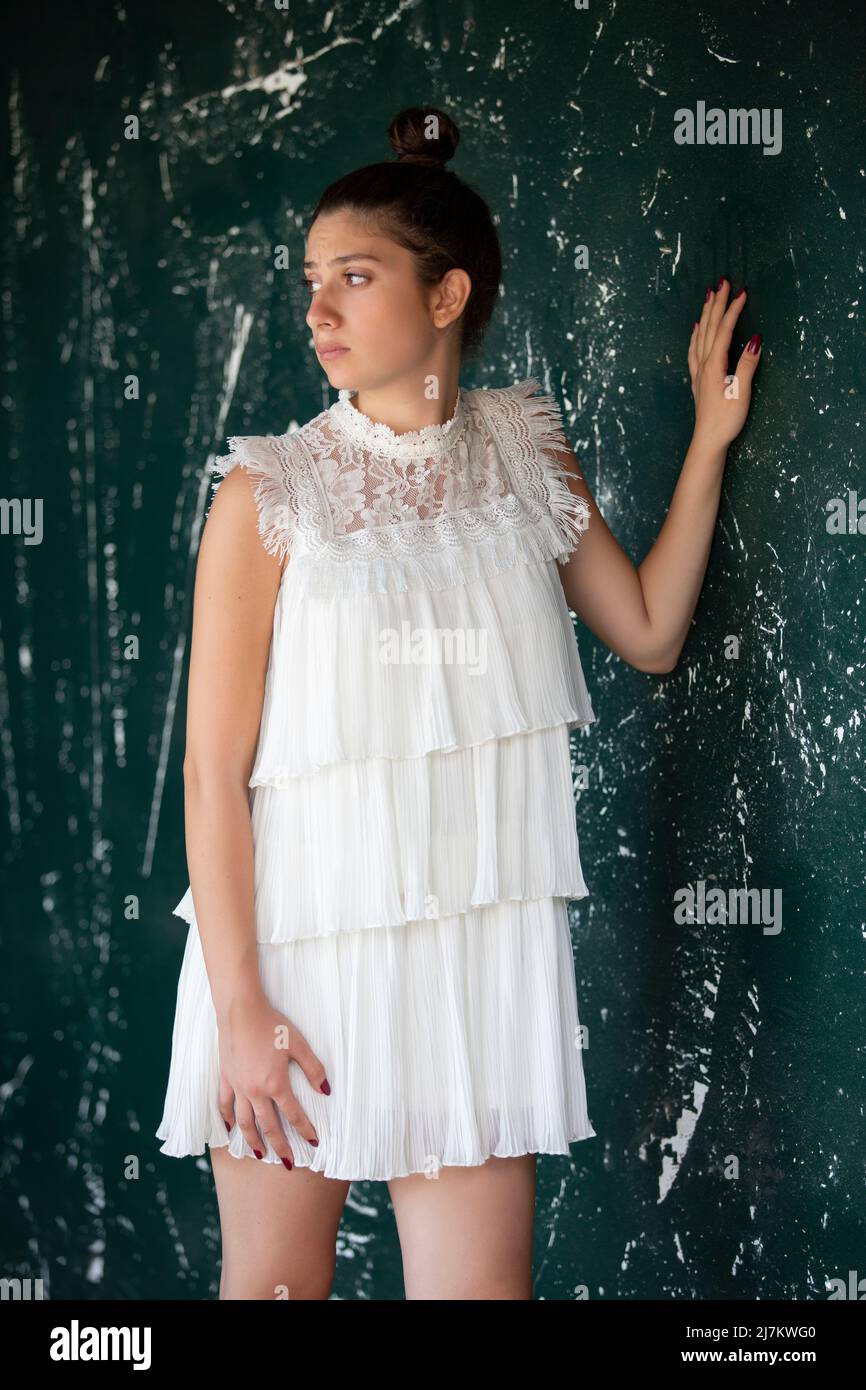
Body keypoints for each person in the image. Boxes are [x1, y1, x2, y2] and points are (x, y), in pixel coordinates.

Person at [155, 105, 762, 1300]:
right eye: (312, 280)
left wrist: (708, 442)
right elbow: (210, 773)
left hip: (473, 959)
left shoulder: (526, 449)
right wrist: (240, 1011)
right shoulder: (267, 491)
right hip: (287, 962)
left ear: (445, 298)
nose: (317, 309)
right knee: (273, 1292)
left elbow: (644, 631)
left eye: (355, 276)